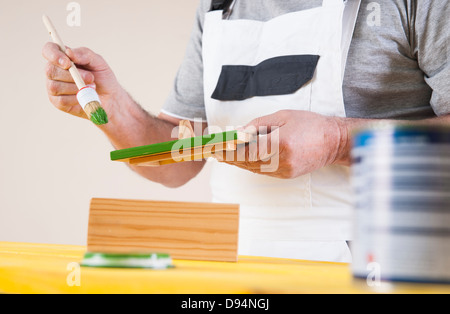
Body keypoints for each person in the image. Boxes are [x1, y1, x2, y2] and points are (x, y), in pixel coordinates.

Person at [42, 0, 449, 263]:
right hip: (236, 272)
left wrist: (336, 142)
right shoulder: (218, 8)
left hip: (387, 270)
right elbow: (179, 161)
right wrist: (114, 109)